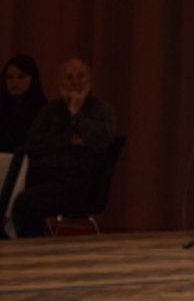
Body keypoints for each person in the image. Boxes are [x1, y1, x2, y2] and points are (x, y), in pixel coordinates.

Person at [11, 58, 117, 237]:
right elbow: (33, 144)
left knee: (26, 202)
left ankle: (31, 250)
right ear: (60, 83)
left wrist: (76, 114)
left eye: (80, 76)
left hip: (82, 183)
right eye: (69, 77)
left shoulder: (101, 110)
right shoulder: (49, 110)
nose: (75, 82)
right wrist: (68, 140)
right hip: (46, 176)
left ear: (90, 80)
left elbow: (102, 146)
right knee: (12, 192)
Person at [0, 54, 47, 153]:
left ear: (32, 79)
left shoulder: (43, 110)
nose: (15, 82)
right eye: (10, 77)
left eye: (21, 77)